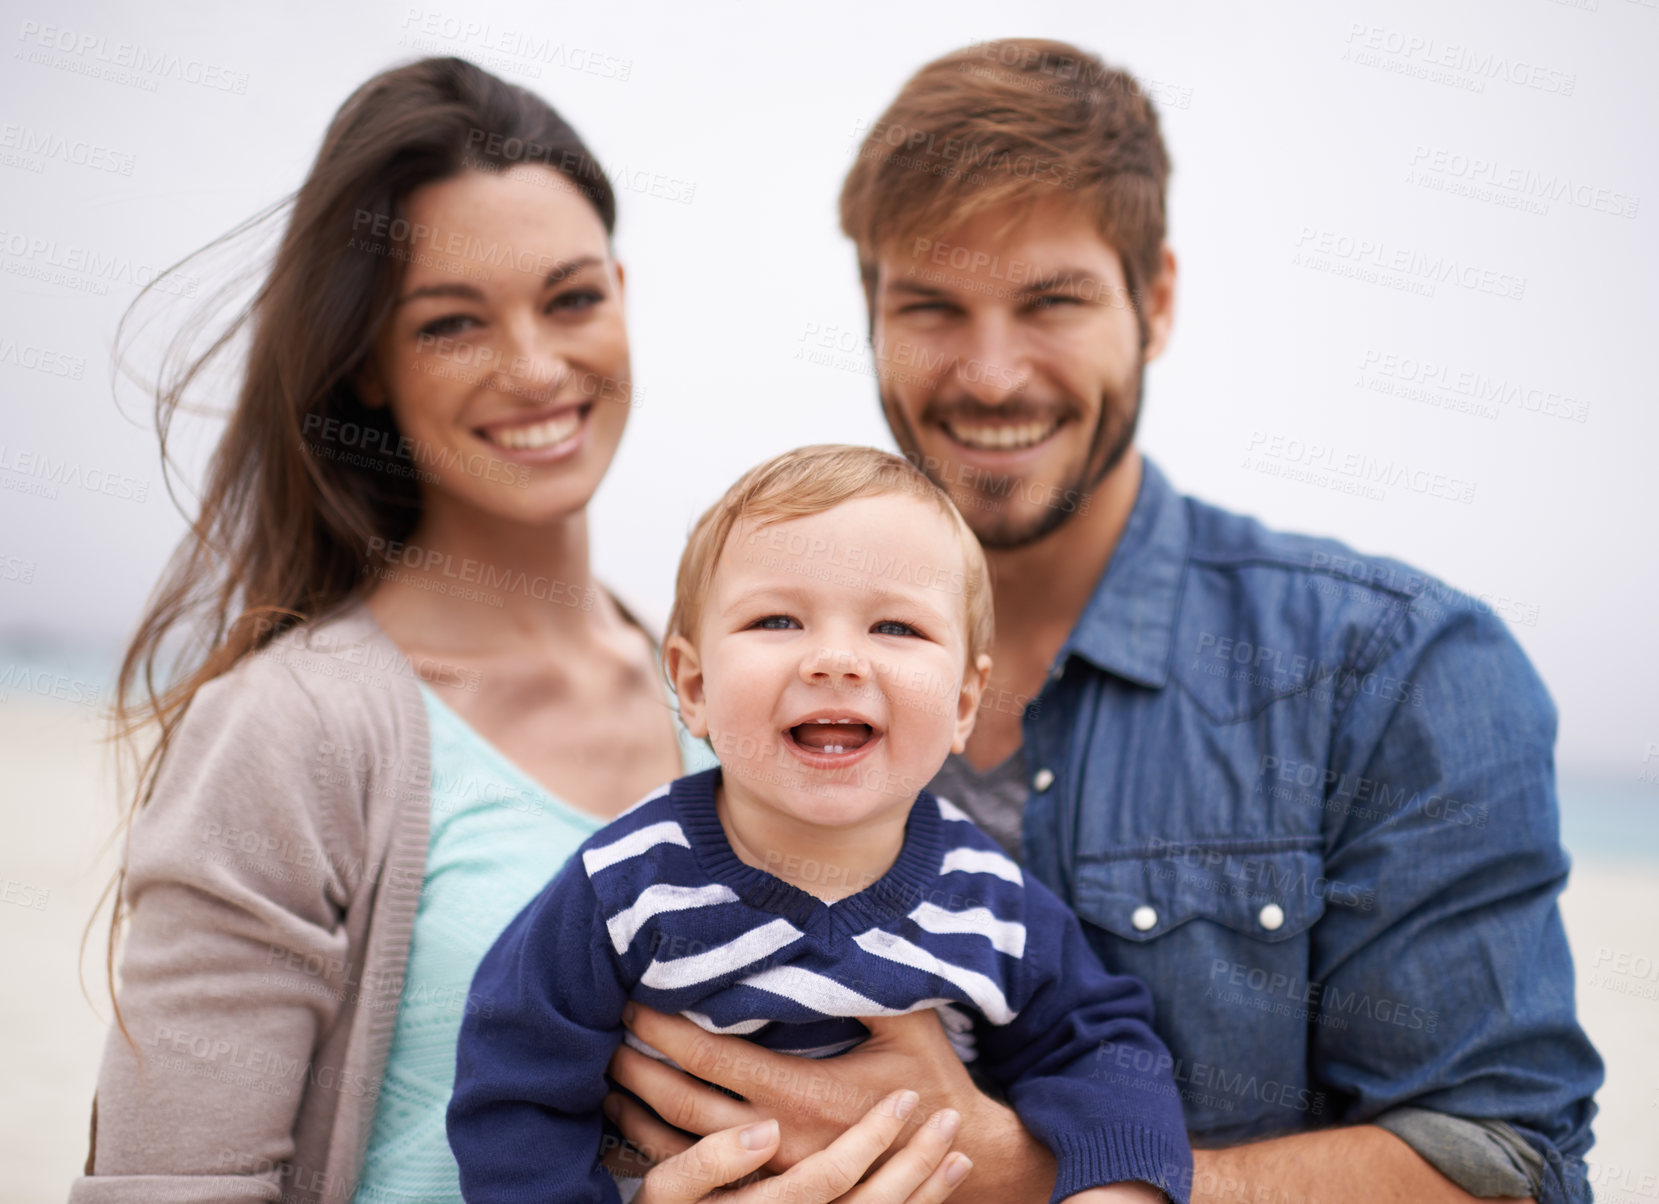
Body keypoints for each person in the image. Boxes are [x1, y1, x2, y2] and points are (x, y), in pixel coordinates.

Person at [597, 38, 1604, 1204]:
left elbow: (1504, 1166)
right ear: (871, 311)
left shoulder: (1393, 668)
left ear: (1155, 300)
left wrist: (1025, 1176)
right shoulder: (733, 655)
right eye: (932, 305)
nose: (988, 373)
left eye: (1051, 302)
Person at [73, 58, 965, 1204]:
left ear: (623, 293)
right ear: (367, 367)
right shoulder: (287, 732)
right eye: (452, 323)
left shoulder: (748, 694)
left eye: (573, 297)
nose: (537, 366)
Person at [447, 445, 1193, 1204]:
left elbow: (1101, 1047)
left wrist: (1117, 1187)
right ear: (694, 685)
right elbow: (512, 1078)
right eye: (777, 619)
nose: (835, 660)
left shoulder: (990, 900)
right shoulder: (624, 882)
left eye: (896, 628)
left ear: (964, 704)